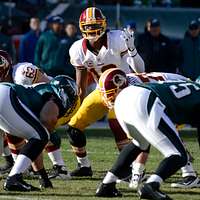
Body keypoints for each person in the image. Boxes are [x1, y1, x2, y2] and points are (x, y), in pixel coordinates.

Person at [65, 7, 145, 177]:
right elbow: (81, 85)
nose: (91, 29)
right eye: (88, 25)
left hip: (124, 90)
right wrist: (75, 106)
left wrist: (132, 50)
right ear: (81, 27)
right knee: (74, 126)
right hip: (102, 92)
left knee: (115, 123)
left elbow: (140, 70)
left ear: (103, 24)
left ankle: (128, 168)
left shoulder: (118, 39)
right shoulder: (77, 49)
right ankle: (84, 166)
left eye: (95, 25)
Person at [97, 77, 200, 199]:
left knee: (140, 143)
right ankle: (151, 185)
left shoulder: (192, 88)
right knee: (178, 155)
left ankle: (107, 184)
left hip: (125, 97)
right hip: (147, 99)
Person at [0, 50, 71, 186]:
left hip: (48, 103)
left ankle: (59, 166)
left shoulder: (22, 72)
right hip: (15, 102)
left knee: (44, 133)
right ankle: (20, 170)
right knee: (23, 134)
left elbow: (48, 89)